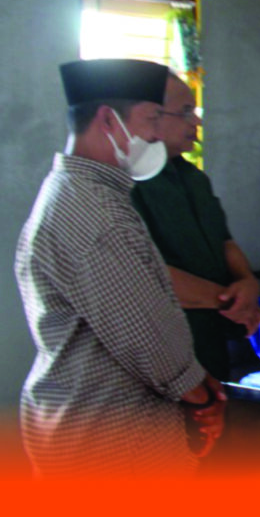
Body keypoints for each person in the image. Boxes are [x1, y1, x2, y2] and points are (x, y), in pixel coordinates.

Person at [15, 59, 225, 477]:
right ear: (109, 121)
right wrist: (199, 395)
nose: (156, 134)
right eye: (151, 119)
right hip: (110, 439)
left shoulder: (84, 192)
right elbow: (146, 335)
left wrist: (195, 377)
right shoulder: (92, 212)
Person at [132, 72, 260, 384]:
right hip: (162, 348)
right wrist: (231, 303)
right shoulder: (126, 183)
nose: (197, 122)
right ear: (151, 117)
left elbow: (224, 241)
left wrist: (247, 282)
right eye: (186, 112)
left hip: (211, 341)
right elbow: (139, 274)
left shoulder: (194, 178)